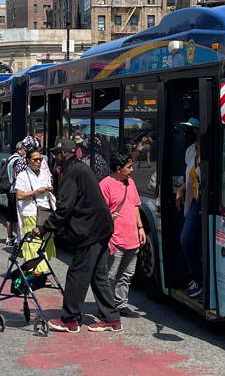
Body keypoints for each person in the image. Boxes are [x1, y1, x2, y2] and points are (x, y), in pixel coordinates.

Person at [34, 139, 121, 333]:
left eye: (56, 154)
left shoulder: (71, 173)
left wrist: (43, 228)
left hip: (89, 231)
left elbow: (64, 208)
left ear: (64, 154)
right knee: (99, 275)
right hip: (101, 227)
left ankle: (70, 320)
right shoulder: (80, 168)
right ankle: (112, 319)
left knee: (76, 275)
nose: (55, 157)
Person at [100, 152, 146, 318]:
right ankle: (105, 307)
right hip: (116, 240)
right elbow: (102, 214)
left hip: (132, 238)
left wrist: (140, 227)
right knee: (110, 276)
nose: (132, 170)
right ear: (118, 169)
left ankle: (121, 304)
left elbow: (135, 206)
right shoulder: (105, 185)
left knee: (127, 275)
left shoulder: (130, 183)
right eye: (129, 167)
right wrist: (107, 237)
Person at [14, 148, 56, 274]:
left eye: (40, 159)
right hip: (30, 212)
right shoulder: (23, 176)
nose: (38, 162)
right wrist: (37, 191)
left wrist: (49, 189)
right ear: (28, 161)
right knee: (32, 244)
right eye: (35, 160)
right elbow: (20, 196)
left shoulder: (45, 173)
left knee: (45, 243)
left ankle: (42, 273)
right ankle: (34, 273)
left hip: (45, 211)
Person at [175, 118, 202, 299]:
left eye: (193, 130)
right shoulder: (190, 151)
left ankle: (200, 280)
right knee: (190, 240)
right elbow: (191, 176)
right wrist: (182, 188)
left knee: (187, 239)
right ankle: (197, 278)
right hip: (195, 201)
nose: (189, 134)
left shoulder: (210, 152)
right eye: (188, 130)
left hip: (205, 203)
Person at [3, 141, 26, 247]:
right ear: (19, 150)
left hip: (10, 190)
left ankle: (9, 236)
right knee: (16, 216)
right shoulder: (17, 161)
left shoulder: (11, 158)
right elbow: (17, 176)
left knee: (10, 215)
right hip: (14, 190)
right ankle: (17, 237)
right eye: (24, 150)